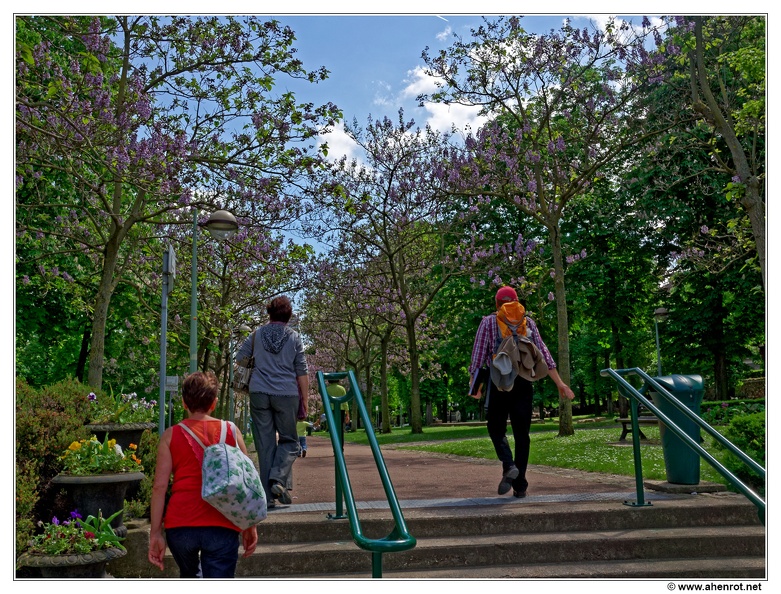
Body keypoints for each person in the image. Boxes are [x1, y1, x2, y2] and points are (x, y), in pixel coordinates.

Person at [148, 371, 258, 577]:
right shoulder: (231, 431)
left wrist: (155, 533)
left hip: (180, 526)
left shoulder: (170, 435)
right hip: (222, 522)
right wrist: (249, 525)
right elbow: (247, 484)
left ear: (183, 403)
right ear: (214, 403)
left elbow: (159, 487)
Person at [469, 286, 575, 498]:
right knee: (522, 435)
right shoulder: (529, 322)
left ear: (497, 304)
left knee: (495, 428)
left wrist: (475, 385)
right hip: (524, 383)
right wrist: (560, 384)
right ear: (517, 302)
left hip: (499, 382)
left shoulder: (488, 322)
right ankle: (521, 486)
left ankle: (509, 465)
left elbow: (478, 357)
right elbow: (544, 355)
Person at [236, 295, 308, 508]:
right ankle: (277, 479)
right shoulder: (294, 337)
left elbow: (240, 358)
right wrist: (305, 399)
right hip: (286, 394)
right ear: (289, 316)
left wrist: (258, 362)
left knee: (265, 444)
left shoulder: (256, 335)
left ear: (269, 313)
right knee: (290, 442)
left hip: (259, 392)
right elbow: (301, 371)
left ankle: (267, 498)